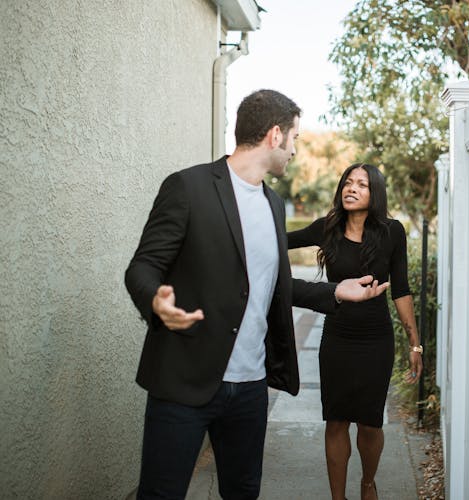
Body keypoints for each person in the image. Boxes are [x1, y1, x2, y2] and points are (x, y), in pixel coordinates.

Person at [124, 90, 389, 500]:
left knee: (244, 492)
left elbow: (275, 287)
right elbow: (142, 267)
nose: (296, 151)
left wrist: (336, 291)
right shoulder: (188, 187)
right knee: (161, 493)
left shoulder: (273, 203)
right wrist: (156, 304)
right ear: (275, 135)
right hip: (185, 380)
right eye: (296, 139)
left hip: (250, 386)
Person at [287, 163, 423, 500]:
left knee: (370, 422)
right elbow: (279, 241)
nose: (352, 188)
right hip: (337, 338)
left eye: (362, 184)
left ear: (375, 193)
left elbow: (401, 290)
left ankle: (367, 482)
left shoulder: (393, 232)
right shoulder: (327, 228)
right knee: (335, 421)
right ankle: (338, 497)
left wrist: (415, 344)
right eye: (348, 183)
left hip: (376, 340)